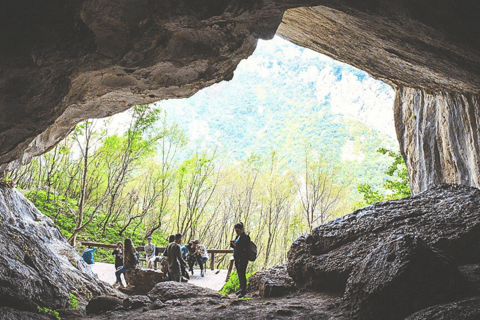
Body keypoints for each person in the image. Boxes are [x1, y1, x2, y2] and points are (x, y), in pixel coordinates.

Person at [230, 222, 251, 298]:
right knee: (239, 273)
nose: (237, 232)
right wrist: (232, 244)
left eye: (238, 231)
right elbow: (235, 246)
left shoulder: (246, 237)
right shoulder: (237, 237)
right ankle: (241, 288)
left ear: (242, 230)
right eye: (236, 231)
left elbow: (245, 248)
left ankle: (243, 290)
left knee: (242, 273)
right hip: (237, 257)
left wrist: (237, 245)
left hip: (243, 258)